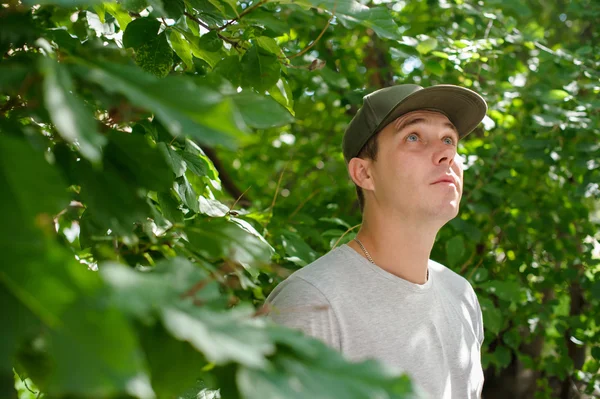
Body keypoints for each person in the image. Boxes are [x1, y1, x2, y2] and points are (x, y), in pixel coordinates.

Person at [264, 84, 487, 398]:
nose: (447, 152)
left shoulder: (461, 296)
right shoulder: (311, 305)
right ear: (364, 173)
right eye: (414, 137)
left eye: (449, 139)